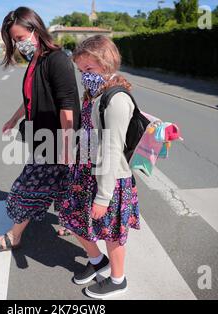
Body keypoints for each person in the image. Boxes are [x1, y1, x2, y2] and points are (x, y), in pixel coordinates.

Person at [0, 7, 80, 251]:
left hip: (57, 139)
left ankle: (13, 237)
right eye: (14, 41)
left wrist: (67, 145)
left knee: (28, 187)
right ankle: (70, 221)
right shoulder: (35, 62)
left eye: (19, 38)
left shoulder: (57, 60)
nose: (18, 44)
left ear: (35, 29)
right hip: (44, 137)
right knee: (63, 182)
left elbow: (67, 106)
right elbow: (31, 98)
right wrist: (14, 118)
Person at [59, 35, 140, 299]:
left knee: (111, 232)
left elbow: (112, 150)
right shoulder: (94, 94)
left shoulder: (116, 100)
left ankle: (118, 279)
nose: (84, 76)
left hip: (109, 179)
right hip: (85, 174)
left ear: (106, 64)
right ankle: (97, 262)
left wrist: (103, 198)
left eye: (89, 70)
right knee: (74, 219)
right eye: (82, 71)